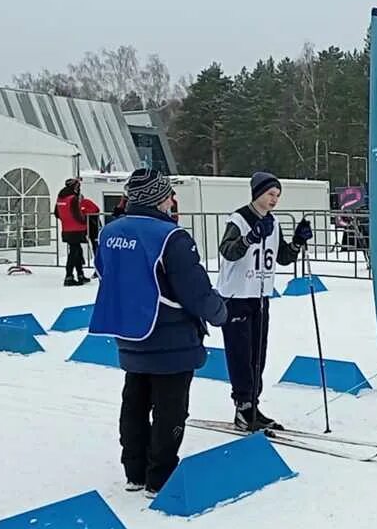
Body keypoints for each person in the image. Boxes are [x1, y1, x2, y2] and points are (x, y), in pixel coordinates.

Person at [90, 168, 227, 498]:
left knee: (134, 401)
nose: (172, 199)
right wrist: (220, 312)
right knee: (171, 409)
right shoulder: (170, 237)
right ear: (159, 197)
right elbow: (194, 291)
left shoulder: (110, 232)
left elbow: (104, 272)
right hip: (171, 337)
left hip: (130, 333)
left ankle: (134, 471)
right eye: (168, 193)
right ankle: (160, 476)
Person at [216, 172, 313, 431]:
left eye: (278, 195)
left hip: (260, 294)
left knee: (258, 354)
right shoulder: (239, 219)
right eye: (270, 193)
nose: (274, 200)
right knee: (240, 353)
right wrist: (249, 238)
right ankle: (243, 406)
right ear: (257, 193)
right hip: (236, 295)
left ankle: (252, 404)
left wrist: (297, 242)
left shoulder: (274, 222)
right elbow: (227, 251)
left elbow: (282, 257)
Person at [54, 178, 100, 286]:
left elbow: (56, 213)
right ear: (75, 187)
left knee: (77, 251)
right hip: (77, 229)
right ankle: (69, 276)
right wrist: (84, 221)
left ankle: (80, 275)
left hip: (66, 229)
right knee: (74, 253)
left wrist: (66, 220)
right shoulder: (73, 198)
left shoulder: (60, 197)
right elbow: (77, 214)